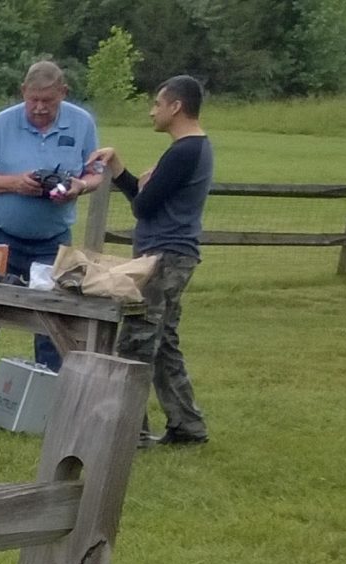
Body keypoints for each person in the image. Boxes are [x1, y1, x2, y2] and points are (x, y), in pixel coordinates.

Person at [0, 60, 106, 406]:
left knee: (53, 317)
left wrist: (78, 187)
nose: (39, 109)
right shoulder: (2, 124)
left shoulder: (82, 124)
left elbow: (96, 172)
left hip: (53, 239)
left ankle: (49, 395)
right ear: (23, 92)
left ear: (63, 93)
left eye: (48, 102)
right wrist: (15, 183)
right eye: (33, 101)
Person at [91, 76, 214, 447]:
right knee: (164, 342)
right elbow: (145, 200)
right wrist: (120, 168)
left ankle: (132, 432)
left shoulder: (184, 152)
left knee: (137, 342)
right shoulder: (194, 149)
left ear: (176, 106)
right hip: (174, 254)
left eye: (157, 104)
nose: (152, 111)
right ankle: (187, 426)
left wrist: (145, 186)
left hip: (164, 258)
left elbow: (144, 207)